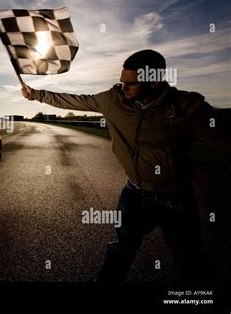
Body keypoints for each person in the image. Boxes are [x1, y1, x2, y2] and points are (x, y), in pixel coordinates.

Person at [20, 49, 229, 281]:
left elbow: (224, 141)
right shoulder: (113, 100)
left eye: (130, 83)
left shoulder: (187, 107)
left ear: (154, 82)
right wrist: (36, 95)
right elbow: (75, 100)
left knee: (192, 261)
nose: (123, 87)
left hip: (177, 201)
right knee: (120, 251)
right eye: (121, 81)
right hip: (135, 194)